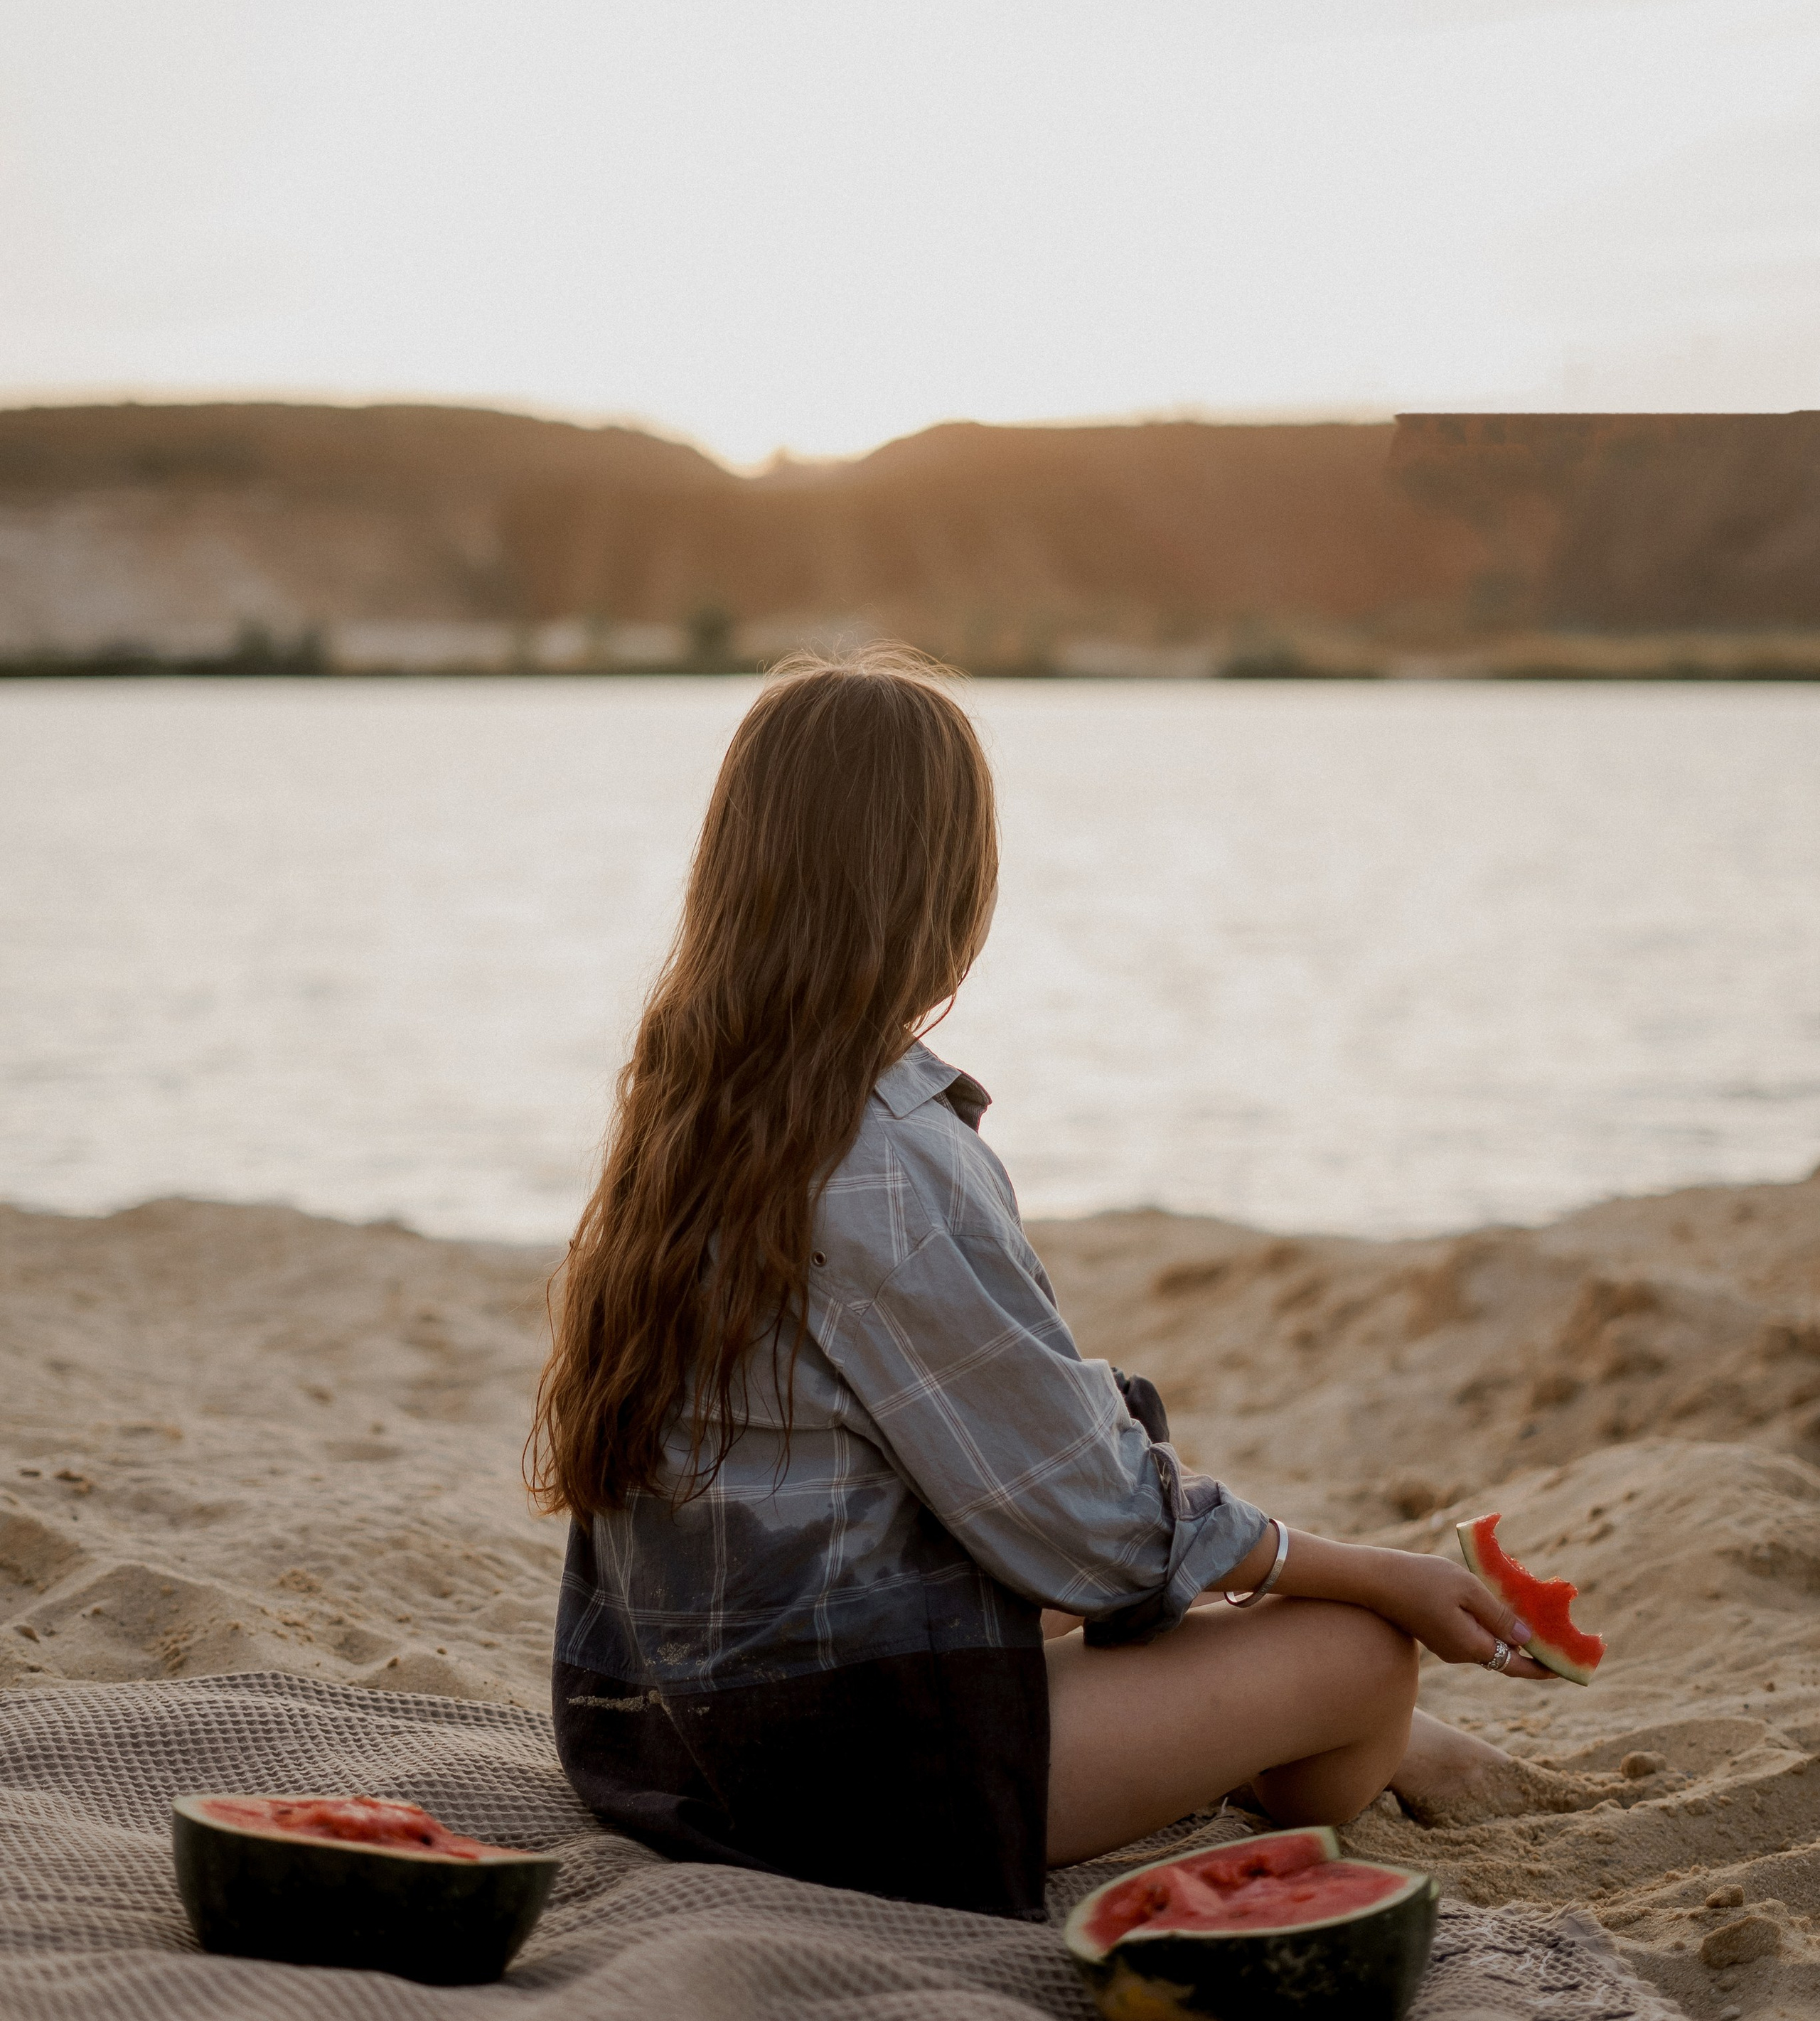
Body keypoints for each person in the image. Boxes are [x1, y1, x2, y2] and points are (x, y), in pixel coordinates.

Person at [529, 650, 1553, 1922]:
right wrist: (1356, 1572)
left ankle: (1274, 1720)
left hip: (650, 1731)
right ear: (949, 890)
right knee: (1359, 1652)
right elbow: (1087, 1520)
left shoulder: (689, 1103)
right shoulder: (884, 1157)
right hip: (839, 1792)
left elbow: (1018, 1513)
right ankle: (1335, 1737)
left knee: (1130, 1567)